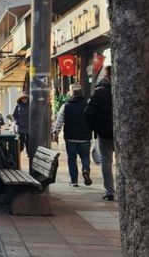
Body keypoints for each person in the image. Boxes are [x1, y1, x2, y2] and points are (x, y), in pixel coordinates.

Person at [52, 84, 92, 187]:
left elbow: (59, 121)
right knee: (85, 156)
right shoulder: (88, 105)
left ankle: (74, 181)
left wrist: (55, 133)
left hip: (70, 137)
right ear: (82, 94)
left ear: (72, 94)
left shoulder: (66, 106)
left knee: (71, 158)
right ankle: (85, 169)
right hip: (85, 136)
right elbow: (93, 118)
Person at [85, 65, 114, 201]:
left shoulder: (99, 92)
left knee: (106, 161)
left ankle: (109, 191)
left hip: (105, 133)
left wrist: (96, 129)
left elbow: (88, 113)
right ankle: (126, 190)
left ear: (106, 75)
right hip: (123, 134)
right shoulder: (127, 89)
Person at [12, 93, 30, 157]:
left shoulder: (30, 105)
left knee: (29, 142)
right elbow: (14, 115)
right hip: (20, 127)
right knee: (21, 143)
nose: (24, 100)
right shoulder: (18, 105)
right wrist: (16, 121)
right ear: (21, 99)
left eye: (25, 99)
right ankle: (18, 154)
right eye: (23, 99)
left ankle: (29, 153)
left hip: (29, 126)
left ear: (27, 99)